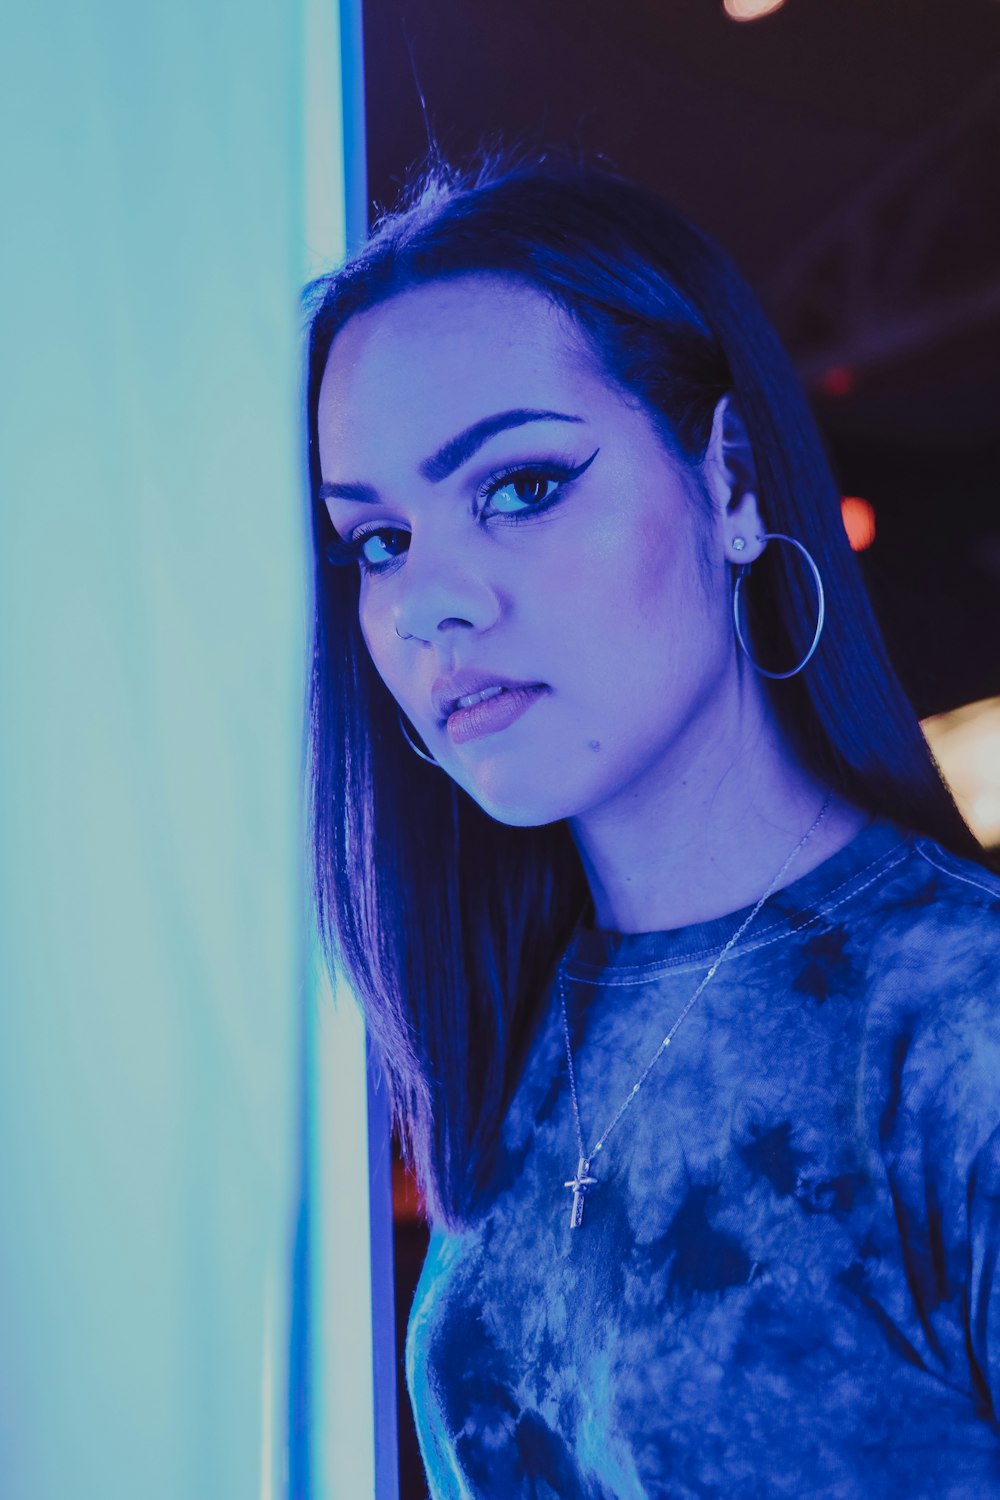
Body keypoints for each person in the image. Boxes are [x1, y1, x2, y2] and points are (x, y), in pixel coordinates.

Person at [302, 146, 1000, 1498]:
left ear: (732, 484)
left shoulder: (958, 1024)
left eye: (519, 487)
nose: (433, 601)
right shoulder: (514, 1034)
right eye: (378, 542)